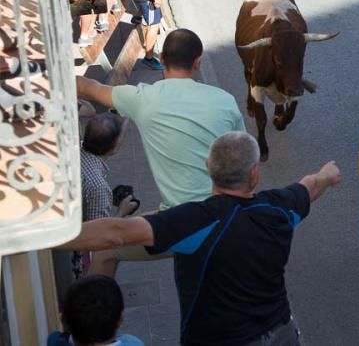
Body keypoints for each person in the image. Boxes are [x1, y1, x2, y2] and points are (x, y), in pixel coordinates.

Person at [57, 132, 343, 346]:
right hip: (281, 334)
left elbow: (116, 234)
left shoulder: (193, 221)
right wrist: (327, 174)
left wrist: (51, 236)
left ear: (208, 167)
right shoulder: (280, 207)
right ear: (254, 175)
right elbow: (310, 187)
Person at [74, 29, 246, 277]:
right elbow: (244, 161)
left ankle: (99, 315)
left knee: (105, 250)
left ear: (162, 58)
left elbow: (87, 86)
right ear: (198, 62)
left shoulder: (144, 98)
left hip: (178, 222)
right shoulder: (225, 100)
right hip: (226, 217)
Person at [48, 276, 144, 346]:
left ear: (63, 320)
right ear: (121, 318)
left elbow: (53, 338)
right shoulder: (134, 343)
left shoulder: (56, 342)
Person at [81, 113, 138, 222]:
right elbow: (99, 234)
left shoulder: (73, 149)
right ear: (114, 147)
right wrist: (122, 211)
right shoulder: (99, 188)